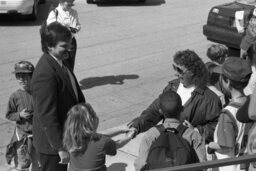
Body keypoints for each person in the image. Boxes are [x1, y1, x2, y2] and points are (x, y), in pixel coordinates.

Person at [128, 49, 222, 144]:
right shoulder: (172, 87)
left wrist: (197, 131)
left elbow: (217, 126)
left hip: (189, 150)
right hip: (168, 144)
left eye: (180, 70)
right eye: (175, 68)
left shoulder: (210, 99)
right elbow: (155, 110)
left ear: (192, 71)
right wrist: (136, 126)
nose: (176, 73)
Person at [31, 22, 85, 171]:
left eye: (69, 44)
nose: (69, 48)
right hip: (52, 146)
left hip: (66, 136)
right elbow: (46, 116)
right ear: (49, 46)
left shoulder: (61, 60)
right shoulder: (45, 73)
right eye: (64, 45)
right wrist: (60, 148)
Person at [134, 91, 205, 171]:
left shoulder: (152, 134)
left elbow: (140, 165)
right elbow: (202, 165)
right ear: (182, 109)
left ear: (160, 111)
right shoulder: (192, 135)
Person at [208, 57, 252, 171]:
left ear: (227, 82)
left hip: (231, 166)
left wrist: (211, 145)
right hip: (248, 163)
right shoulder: (252, 104)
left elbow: (226, 146)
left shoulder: (227, 113)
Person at [63, 103, 134, 171]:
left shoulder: (70, 139)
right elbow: (118, 144)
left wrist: (120, 130)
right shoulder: (103, 142)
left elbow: (100, 134)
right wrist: (130, 136)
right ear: (92, 120)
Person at [5, 61, 40, 171]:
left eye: (25, 76)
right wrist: (19, 115)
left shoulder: (38, 93)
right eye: (18, 76)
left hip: (37, 135)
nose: (21, 79)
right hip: (22, 137)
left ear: (32, 76)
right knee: (22, 163)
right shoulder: (14, 96)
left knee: (38, 162)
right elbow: (9, 115)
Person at [46, 0, 81, 71]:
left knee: (70, 63)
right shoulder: (55, 12)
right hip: (59, 43)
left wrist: (76, 28)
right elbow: (50, 28)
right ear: (62, 1)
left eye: (72, 2)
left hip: (71, 42)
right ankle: (61, 79)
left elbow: (78, 24)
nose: (71, 4)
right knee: (60, 64)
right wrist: (64, 28)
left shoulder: (74, 12)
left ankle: (70, 79)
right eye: (69, 2)